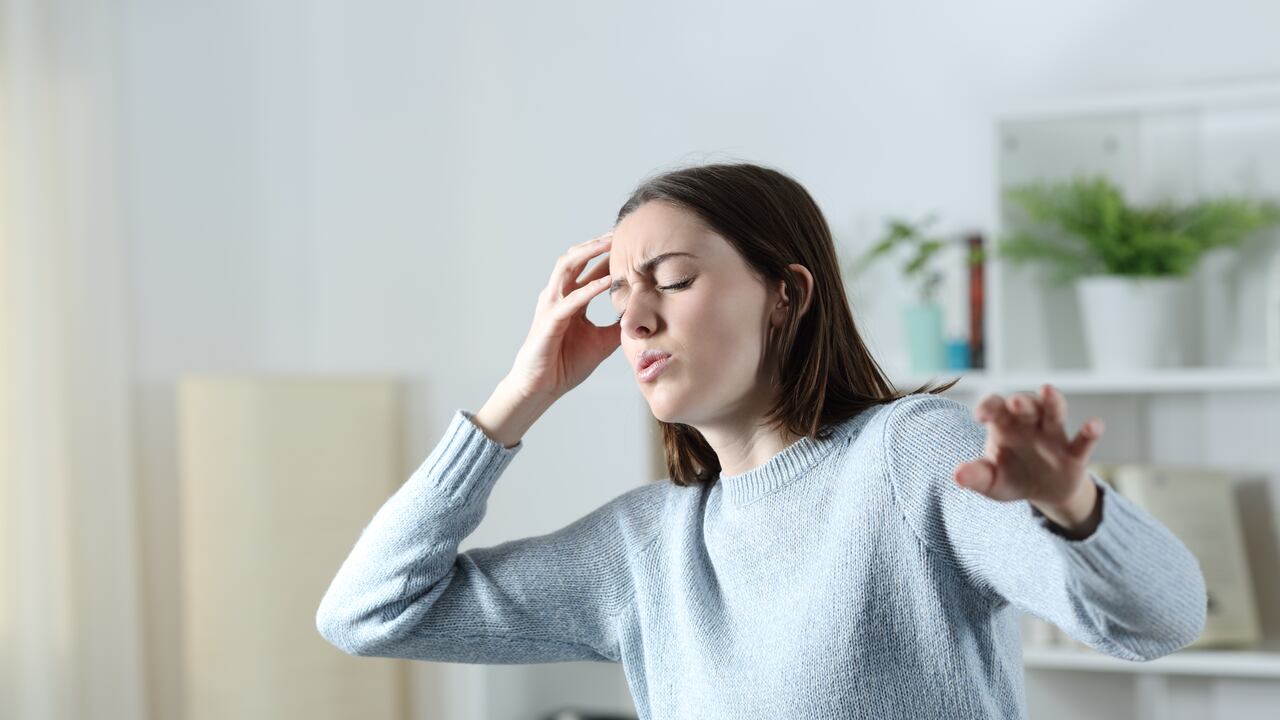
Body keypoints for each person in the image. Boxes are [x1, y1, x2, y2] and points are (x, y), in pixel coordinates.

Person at [315, 162, 1207, 719]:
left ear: (785, 294)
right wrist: (522, 392)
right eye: (619, 294)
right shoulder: (645, 548)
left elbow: (1160, 623)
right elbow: (366, 613)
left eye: (671, 279)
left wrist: (1073, 508)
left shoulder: (907, 456)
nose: (636, 315)